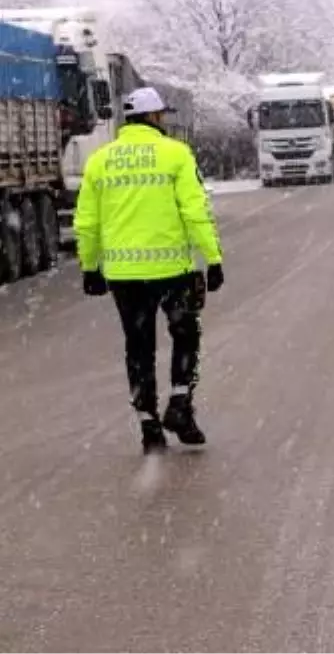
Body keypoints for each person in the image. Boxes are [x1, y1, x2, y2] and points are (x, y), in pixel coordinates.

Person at [74, 87, 225, 454]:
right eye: (162, 116)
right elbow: (195, 211)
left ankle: (149, 428)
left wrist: (90, 266)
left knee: (138, 348)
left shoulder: (100, 160)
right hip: (173, 269)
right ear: (155, 118)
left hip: (125, 276)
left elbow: (87, 221)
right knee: (185, 334)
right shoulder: (176, 154)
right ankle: (179, 405)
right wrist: (213, 257)